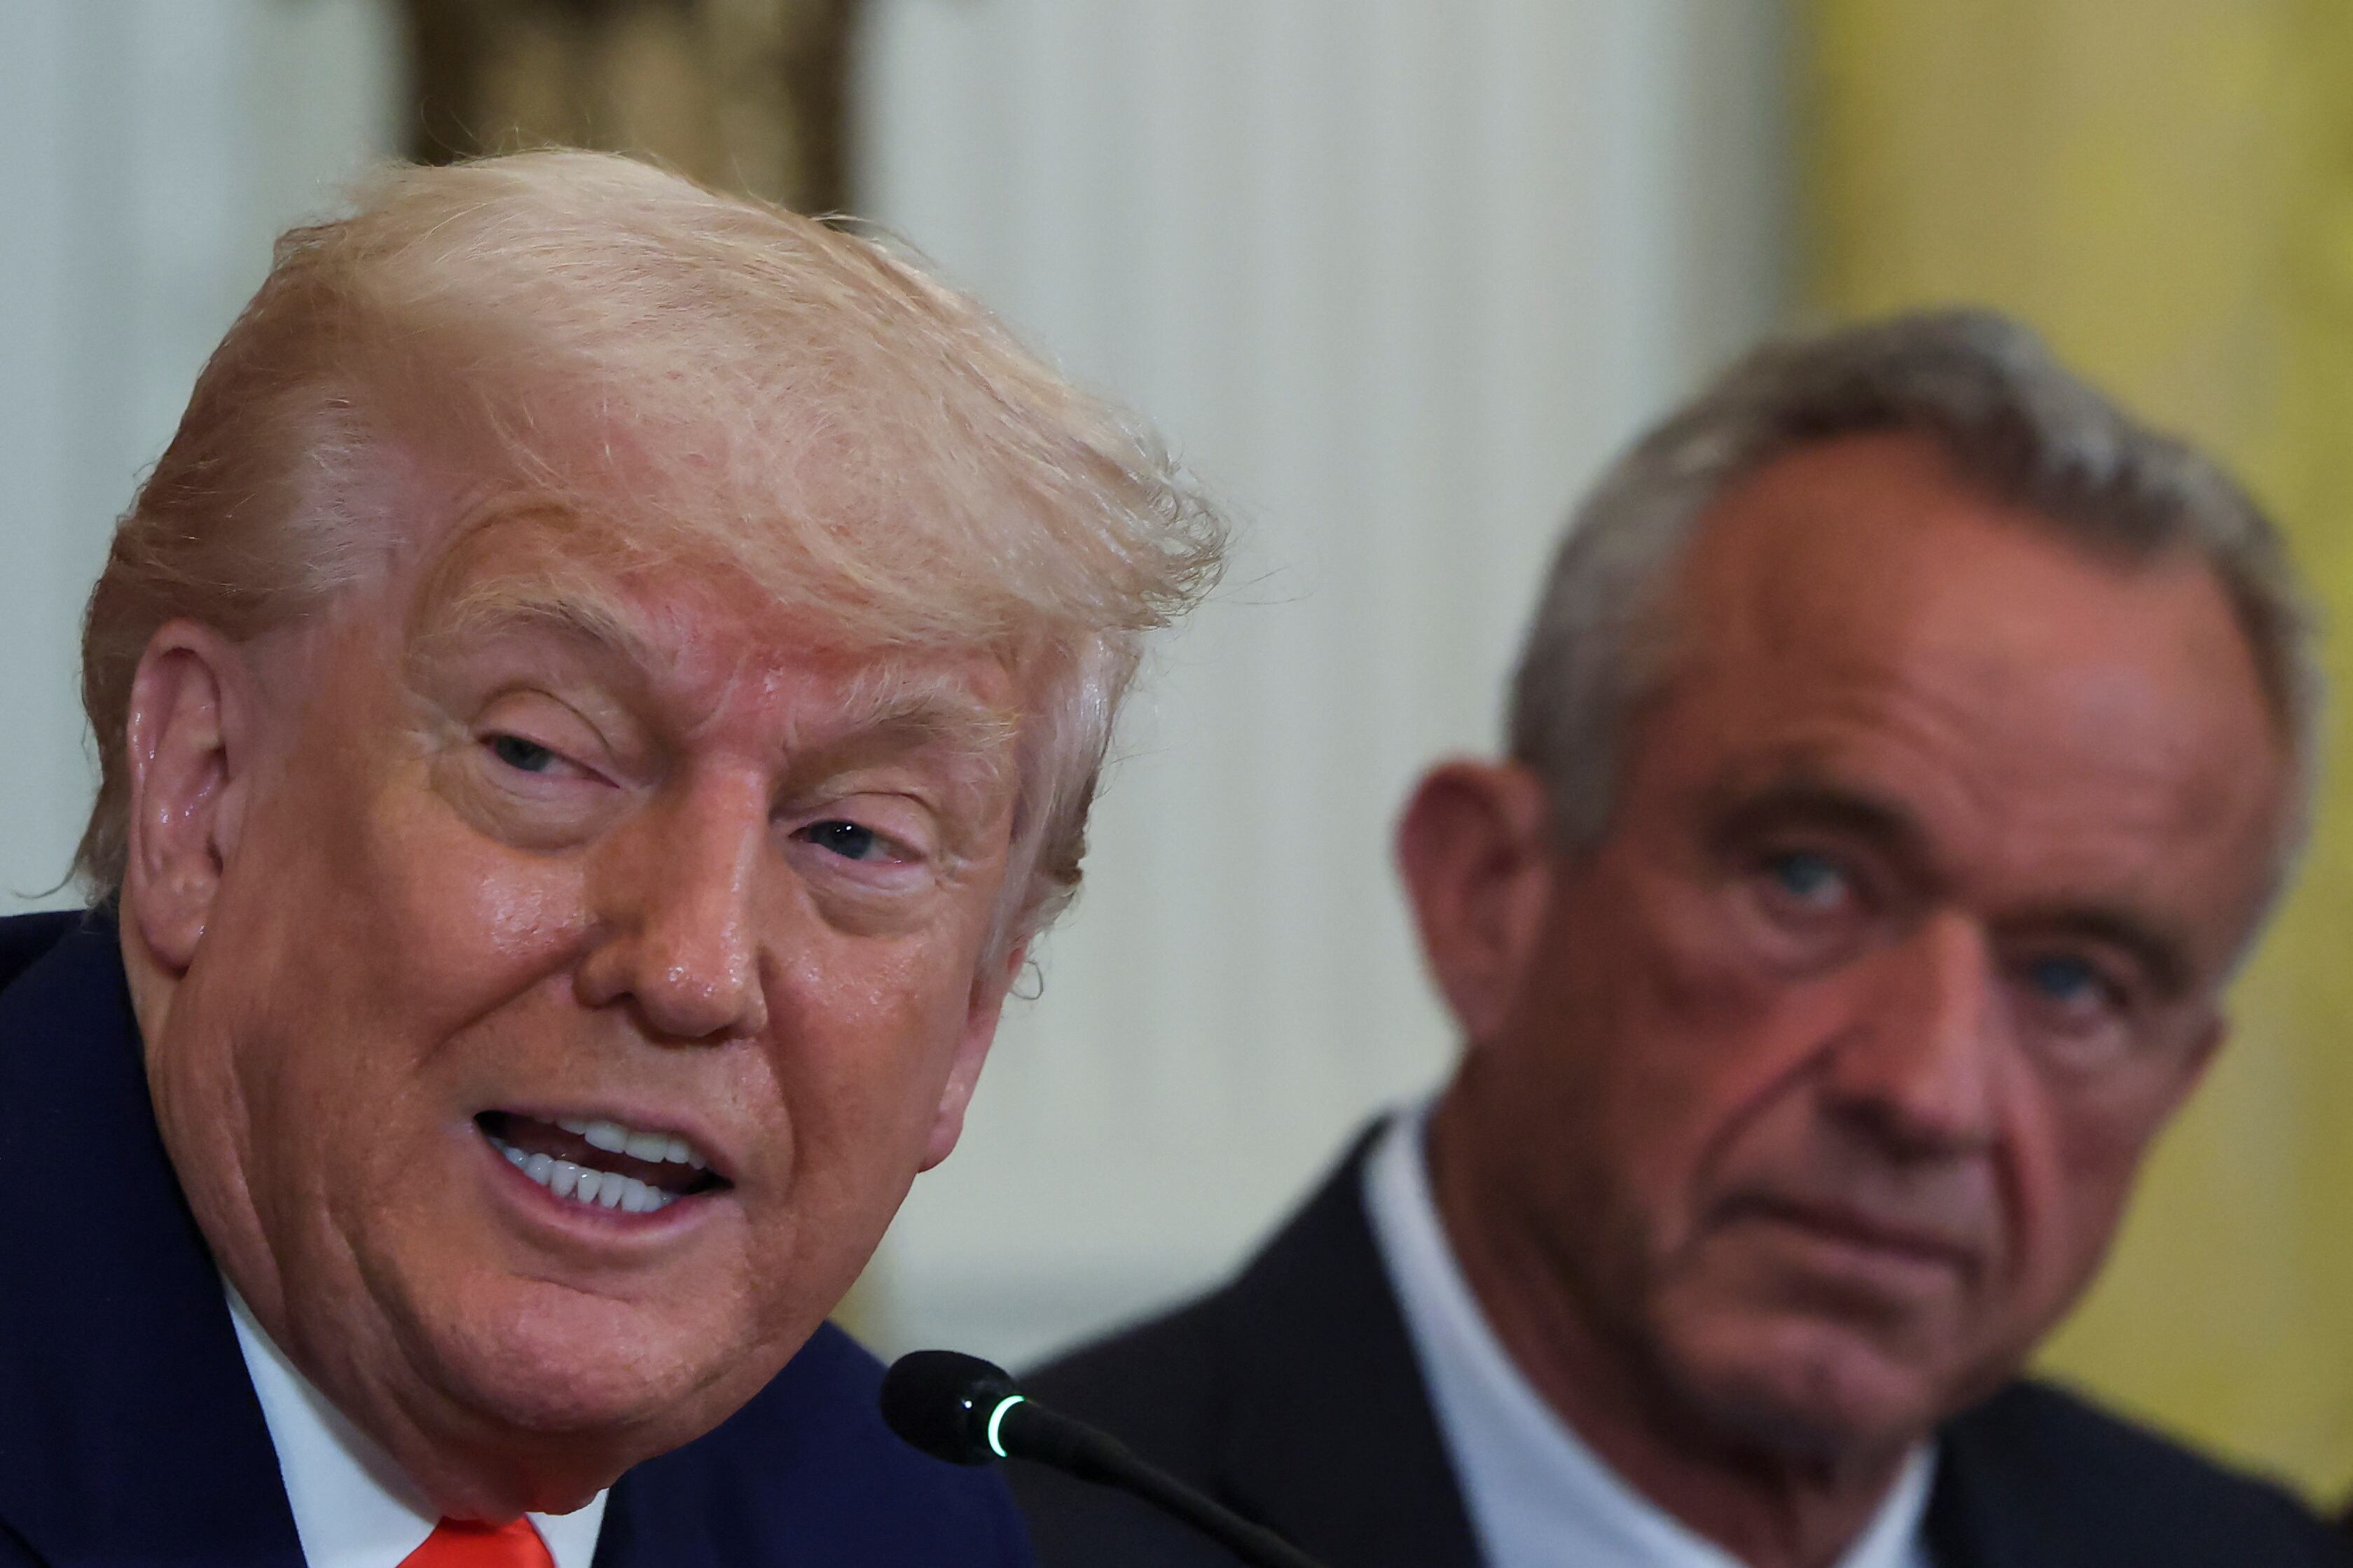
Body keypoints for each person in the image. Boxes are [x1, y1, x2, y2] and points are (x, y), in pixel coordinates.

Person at [0, 150, 1222, 1567]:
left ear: (969, 1027)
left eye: (851, 835)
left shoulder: (891, 1527)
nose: (693, 968)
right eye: (544, 756)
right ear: (202, 791)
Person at [1012, 311, 2347, 1568]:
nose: (1926, 1093)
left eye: (2074, 982)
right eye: (1811, 883)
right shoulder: (1001, 1542)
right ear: (1488, 894)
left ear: (2180, 1082)